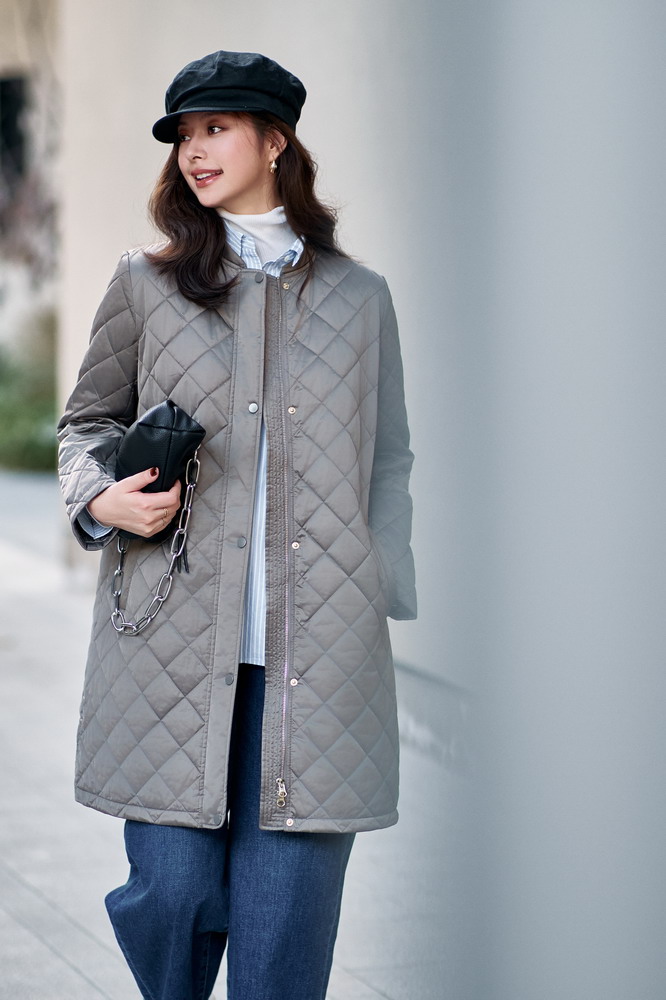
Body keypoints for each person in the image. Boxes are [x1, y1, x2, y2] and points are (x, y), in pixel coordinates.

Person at [57, 49, 416, 1000]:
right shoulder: (147, 284)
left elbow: (389, 459)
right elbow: (85, 425)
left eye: (216, 128)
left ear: (276, 139)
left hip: (318, 660)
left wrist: (378, 582)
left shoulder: (360, 297)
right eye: (183, 135)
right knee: (170, 894)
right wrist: (99, 500)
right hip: (169, 643)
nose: (194, 152)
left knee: (284, 926)